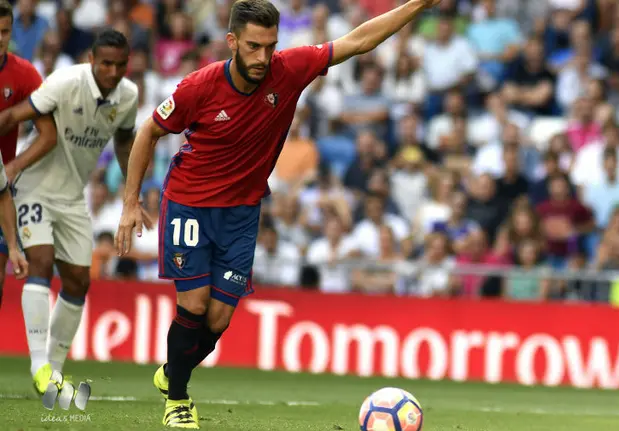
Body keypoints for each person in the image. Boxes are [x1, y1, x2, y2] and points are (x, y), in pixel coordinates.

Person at [114, 0, 444, 428]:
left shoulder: (290, 70)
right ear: (232, 42)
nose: (262, 57)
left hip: (242, 212)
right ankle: (177, 401)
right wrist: (129, 201)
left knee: (217, 320)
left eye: (270, 46)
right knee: (193, 305)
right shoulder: (199, 87)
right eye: (253, 46)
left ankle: (172, 373)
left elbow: (359, 40)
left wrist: (420, 3)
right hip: (189, 203)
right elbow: (149, 131)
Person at [0, 29, 148, 395]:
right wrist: (13, 165)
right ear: (91, 61)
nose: (114, 72)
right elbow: (19, 113)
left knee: (80, 280)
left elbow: (126, 141)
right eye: (106, 64)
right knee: (41, 261)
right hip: (34, 187)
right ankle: (38, 366)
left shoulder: (128, 96)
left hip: (72, 196)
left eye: (120, 65)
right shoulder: (65, 82)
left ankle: (52, 370)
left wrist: (133, 195)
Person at [0, 0, 43, 308]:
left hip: (2, 187)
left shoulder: (24, 74)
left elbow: (50, 133)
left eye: (4, 31)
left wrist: (14, 166)